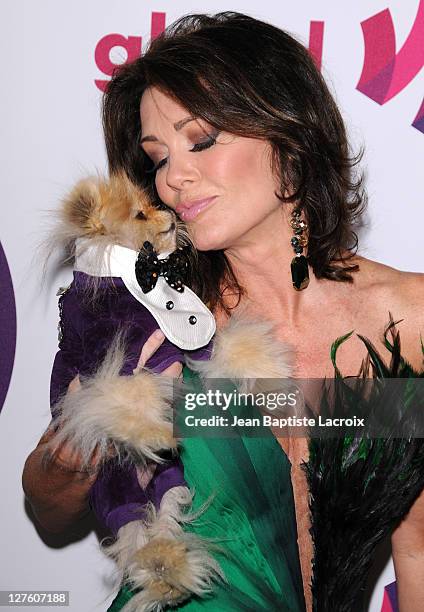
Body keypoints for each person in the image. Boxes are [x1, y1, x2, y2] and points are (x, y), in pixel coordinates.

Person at [22, 11, 423, 612]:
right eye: (157, 158)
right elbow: (50, 510)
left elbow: (415, 547)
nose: (174, 177)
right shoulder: (155, 318)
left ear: (288, 135)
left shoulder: (410, 319)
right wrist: (82, 440)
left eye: (201, 140)